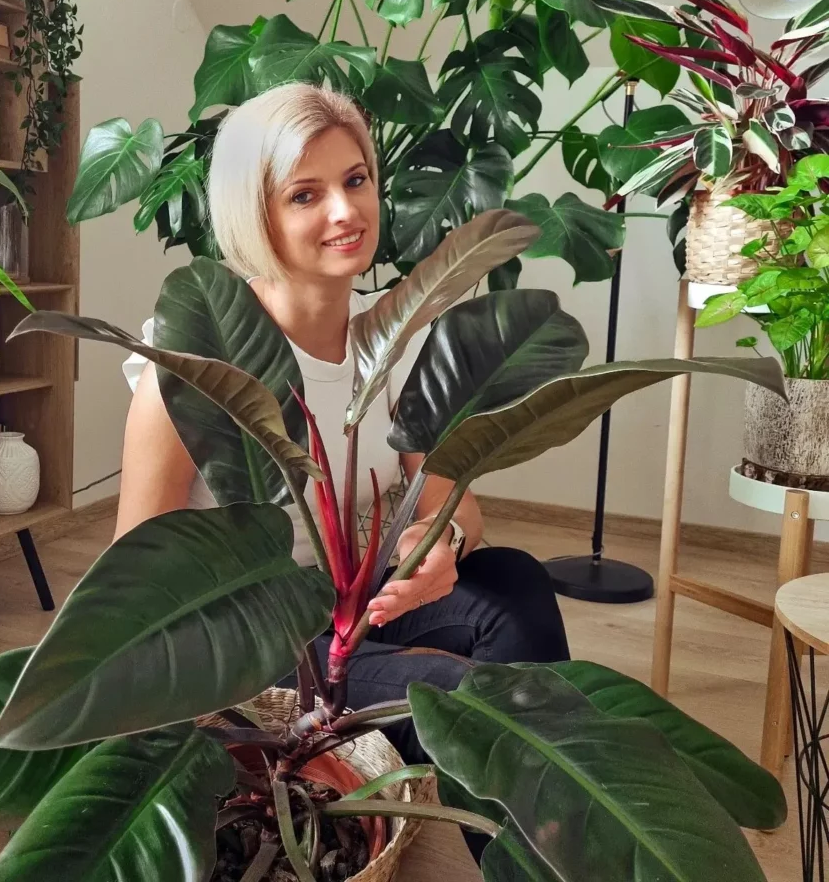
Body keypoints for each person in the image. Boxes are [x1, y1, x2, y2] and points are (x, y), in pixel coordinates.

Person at [119, 82, 569, 860]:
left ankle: (544, 837)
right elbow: (133, 579)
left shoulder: (384, 345)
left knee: (518, 583)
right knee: (476, 706)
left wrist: (439, 544)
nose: (344, 212)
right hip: (267, 647)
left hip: (357, 609)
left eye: (356, 180)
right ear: (256, 213)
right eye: (306, 193)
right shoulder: (199, 359)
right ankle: (535, 831)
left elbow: (454, 504)